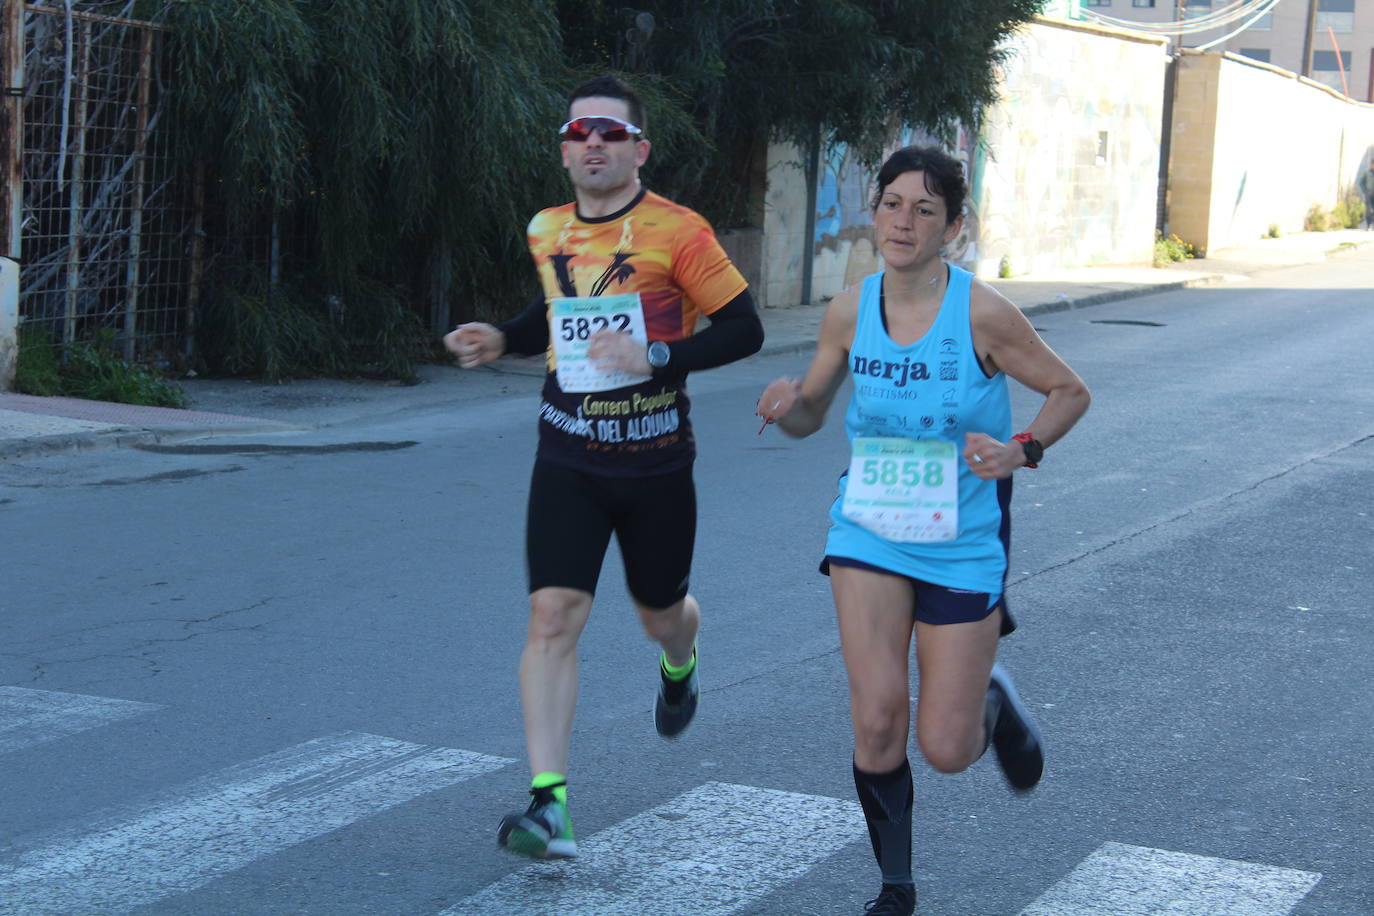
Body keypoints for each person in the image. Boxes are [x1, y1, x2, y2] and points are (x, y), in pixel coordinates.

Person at [755, 145, 1090, 916]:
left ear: (953, 228)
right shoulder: (850, 307)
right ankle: (895, 887)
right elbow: (812, 413)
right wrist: (788, 407)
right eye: (893, 203)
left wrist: (1021, 449)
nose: (904, 221)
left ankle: (991, 706)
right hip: (868, 530)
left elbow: (1070, 391)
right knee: (876, 716)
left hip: (962, 540)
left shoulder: (983, 313)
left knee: (945, 747)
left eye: (925, 209)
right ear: (875, 212)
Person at [444, 75, 764, 861]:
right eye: (580, 132)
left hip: (655, 462)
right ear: (563, 149)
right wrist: (503, 339)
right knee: (551, 616)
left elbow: (744, 330)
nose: (594, 143)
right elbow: (555, 315)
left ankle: (681, 655)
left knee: (660, 611)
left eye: (611, 134)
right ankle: (548, 804)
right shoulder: (547, 228)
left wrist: (657, 353)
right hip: (568, 454)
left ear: (639, 150)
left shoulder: (679, 232)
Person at [1358, 159, 1374, 230]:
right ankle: (1369, 225)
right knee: (1369, 210)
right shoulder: (1367, 172)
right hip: (1368, 194)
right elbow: (1361, 183)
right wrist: (1365, 191)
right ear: (1371, 164)